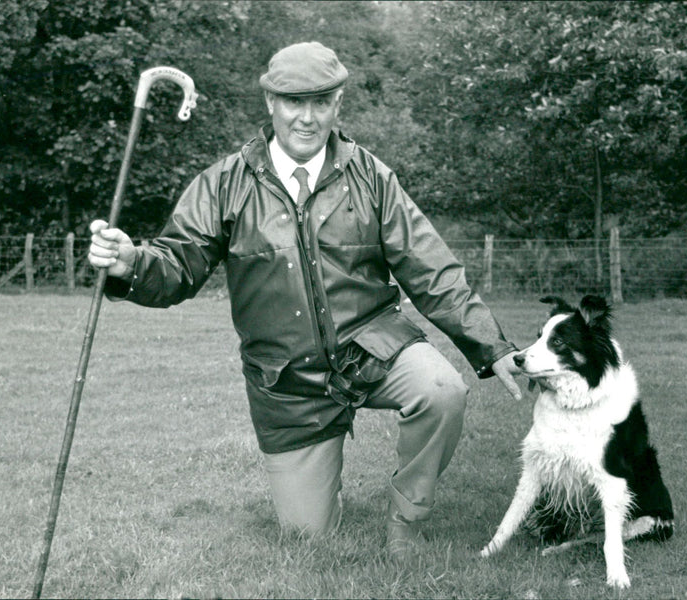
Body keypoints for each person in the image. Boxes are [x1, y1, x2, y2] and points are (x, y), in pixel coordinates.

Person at [88, 41, 521, 561]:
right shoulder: (224, 183)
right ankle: (319, 481)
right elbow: (176, 266)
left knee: (442, 390)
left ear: (339, 105)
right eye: (295, 102)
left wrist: (490, 344)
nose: (307, 118)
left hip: (374, 349)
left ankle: (407, 519)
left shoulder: (372, 177)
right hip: (287, 381)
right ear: (270, 104)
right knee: (307, 538)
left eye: (321, 103)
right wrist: (130, 263)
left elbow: (431, 268)